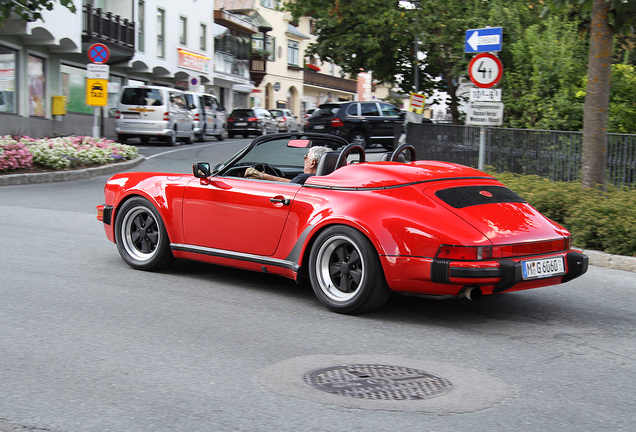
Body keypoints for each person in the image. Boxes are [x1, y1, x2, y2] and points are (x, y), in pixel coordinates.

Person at [244, 145, 330, 185]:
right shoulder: (329, 178)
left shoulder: (306, 178)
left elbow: (287, 188)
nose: (304, 160)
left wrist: (260, 176)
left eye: (306, 157)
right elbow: (294, 183)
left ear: (312, 163)